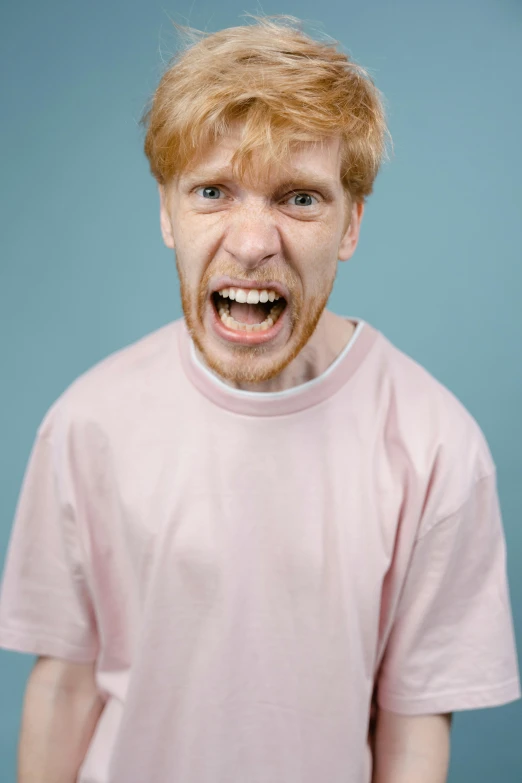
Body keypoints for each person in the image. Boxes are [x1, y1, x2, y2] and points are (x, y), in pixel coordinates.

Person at [0, 15, 519, 783]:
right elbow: (66, 684)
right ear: (166, 211)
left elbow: (412, 727)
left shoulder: (435, 443)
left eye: (299, 199)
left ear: (351, 224)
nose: (251, 242)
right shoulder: (88, 421)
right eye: (212, 191)